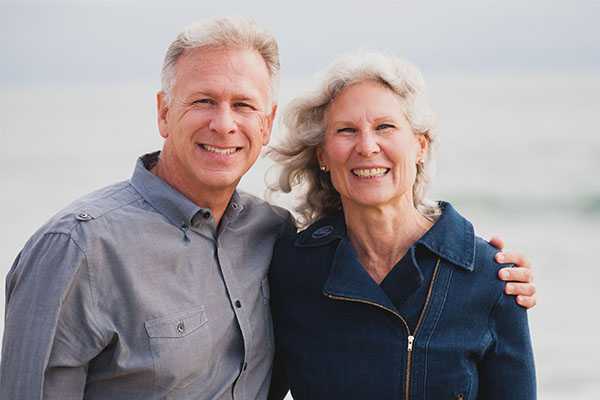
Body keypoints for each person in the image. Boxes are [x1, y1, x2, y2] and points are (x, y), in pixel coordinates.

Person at [0, 18, 535, 400]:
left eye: (244, 105)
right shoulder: (78, 247)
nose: (224, 124)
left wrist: (488, 266)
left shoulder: (271, 236)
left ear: (266, 121)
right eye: (203, 101)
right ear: (164, 113)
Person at [268, 52, 536, 399]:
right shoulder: (292, 269)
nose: (366, 146)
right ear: (322, 155)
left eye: (385, 127)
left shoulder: (491, 278)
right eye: (347, 130)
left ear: (420, 146)